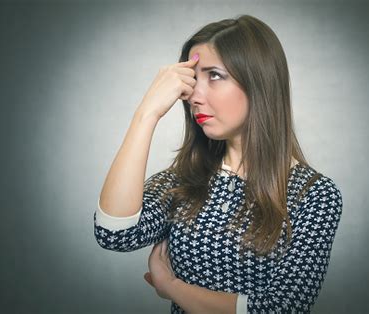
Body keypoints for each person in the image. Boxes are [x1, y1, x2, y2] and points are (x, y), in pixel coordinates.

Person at [93, 14, 343, 314]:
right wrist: (147, 114)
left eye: (214, 75)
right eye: (193, 80)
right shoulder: (183, 181)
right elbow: (114, 233)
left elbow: (279, 309)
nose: (194, 97)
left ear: (258, 81)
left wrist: (172, 287)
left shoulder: (314, 195)